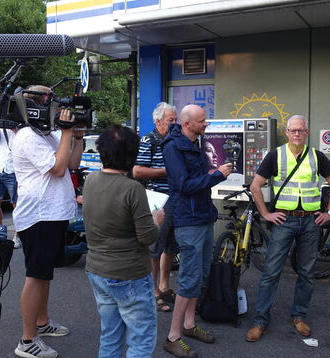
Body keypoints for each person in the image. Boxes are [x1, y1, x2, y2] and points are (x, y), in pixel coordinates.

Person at [245, 115, 330, 342]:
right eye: (292, 130)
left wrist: (329, 213)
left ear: (306, 132)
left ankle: (299, 316)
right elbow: (256, 186)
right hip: (284, 221)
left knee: (307, 273)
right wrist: (266, 213)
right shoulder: (276, 155)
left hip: (310, 221)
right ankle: (261, 321)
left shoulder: (317, 156)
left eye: (300, 130)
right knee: (271, 272)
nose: (296, 134)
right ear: (286, 132)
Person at [83, 125, 164, 358]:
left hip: (97, 269)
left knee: (110, 334)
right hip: (129, 273)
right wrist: (156, 219)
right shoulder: (132, 188)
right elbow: (148, 236)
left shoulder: (91, 180)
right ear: (132, 154)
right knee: (141, 338)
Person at [11, 107, 84, 358]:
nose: (55, 108)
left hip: (54, 214)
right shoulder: (27, 136)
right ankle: (27, 340)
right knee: (36, 275)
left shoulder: (48, 134)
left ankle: (42, 323)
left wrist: (78, 136)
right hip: (39, 215)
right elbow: (57, 169)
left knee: (45, 275)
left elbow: (72, 163)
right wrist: (66, 132)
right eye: (48, 102)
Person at [161, 104, 232, 358]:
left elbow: (195, 180)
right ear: (187, 123)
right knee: (190, 279)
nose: (207, 124)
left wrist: (213, 173)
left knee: (200, 275)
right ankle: (173, 336)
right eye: (202, 121)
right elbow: (183, 185)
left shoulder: (195, 144)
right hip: (188, 220)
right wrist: (217, 177)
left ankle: (189, 325)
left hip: (202, 216)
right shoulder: (173, 147)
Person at [132, 102, 178, 313]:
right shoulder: (148, 140)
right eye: (171, 120)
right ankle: (152, 293)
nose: (175, 124)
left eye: (176, 120)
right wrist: (166, 171)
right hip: (158, 200)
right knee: (154, 249)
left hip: (176, 199)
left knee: (170, 247)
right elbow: (138, 171)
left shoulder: (176, 140)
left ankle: (164, 286)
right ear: (158, 121)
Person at [0, 124, 20, 248]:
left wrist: (15, 129)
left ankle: (18, 236)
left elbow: (25, 144)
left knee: (16, 206)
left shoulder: (22, 129)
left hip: (14, 171)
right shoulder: (2, 128)